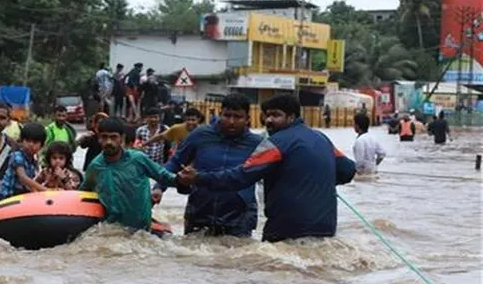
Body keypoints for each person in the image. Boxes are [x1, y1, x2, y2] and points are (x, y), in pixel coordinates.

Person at [178, 93, 356, 243]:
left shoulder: (275, 143)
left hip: (285, 229)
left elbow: (241, 177)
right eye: (267, 115)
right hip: (325, 228)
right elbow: (348, 171)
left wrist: (199, 178)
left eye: (276, 115)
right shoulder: (321, 139)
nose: (269, 120)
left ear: (292, 117)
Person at [152, 94, 263, 238]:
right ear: (220, 114)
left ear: (247, 119)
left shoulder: (257, 144)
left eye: (237, 117)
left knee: (237, 256)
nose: (231, 121)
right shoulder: (200, 135)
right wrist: (159, 187)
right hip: (200, 211)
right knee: (192, 256)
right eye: (227, 115)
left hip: (239, 217)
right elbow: (175, 162)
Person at [80, 117, 181, 232]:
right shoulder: (95, 167)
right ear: (99, 139)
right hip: (112, 232)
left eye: (113, 137)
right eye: (104, 137)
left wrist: (183, 180)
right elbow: (84, 193)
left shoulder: (138, 159)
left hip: (142, 231)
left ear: (122, 138)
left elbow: (164, 176)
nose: (108, 142)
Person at [0, 123, 48, 200]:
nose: (30, 144)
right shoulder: (17, 156)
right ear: (21, 141)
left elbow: (30, 184)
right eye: (27, 141)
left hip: (20, 194)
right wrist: (45, 190)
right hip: (8, 195)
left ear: (42, 146)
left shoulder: (33, 160)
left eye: (35, 142)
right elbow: (23, 178)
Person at [137, 107, 202, 151]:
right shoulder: (177, 128)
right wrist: (144, 144)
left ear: (198, 119)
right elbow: (160, 136)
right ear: (184, 119)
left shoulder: (202, 132)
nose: (190, 122)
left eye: (193, 120)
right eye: (188, 120)